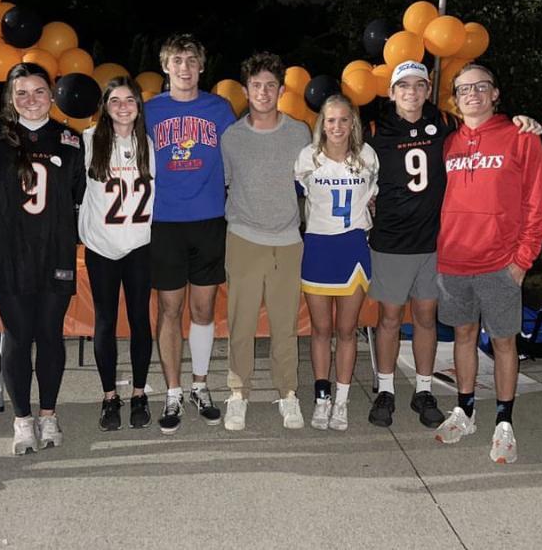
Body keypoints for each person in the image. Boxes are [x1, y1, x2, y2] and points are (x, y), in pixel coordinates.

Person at [366, 61, 542, 429]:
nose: (411, 92)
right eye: (403, 85)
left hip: (436, 243)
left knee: (427, 319)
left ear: (429, 90)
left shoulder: (446, 124)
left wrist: (523, 122)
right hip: (396, 243)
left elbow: (490, 133)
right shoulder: (375, 130)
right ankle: (386, 390)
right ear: (391, 92)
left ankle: (425, 391)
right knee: (390, 319)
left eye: (419, 84)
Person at [434, 63, 542, 464]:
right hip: (453, 261)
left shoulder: (521, 137)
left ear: (495, 93)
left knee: (503, 342)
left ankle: (504, 422)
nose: (473, 94)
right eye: (464, 89)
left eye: (481, 86)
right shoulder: (448, 143)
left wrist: (522, 261)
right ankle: (464, 411)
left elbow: (538, 205)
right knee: (463, 337)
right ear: (455, 99)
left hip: (500, 263)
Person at [0, 62, 86, 455]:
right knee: (18, 335)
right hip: (8, 252)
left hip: (53, 250)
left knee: (50, 334)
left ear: (52, 94)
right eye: (21, 92)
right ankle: (22, 419)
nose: (31, 99)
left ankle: (48, 414)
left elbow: (79, 196)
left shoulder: (70, 139)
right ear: (10, 96)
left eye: (39, 91)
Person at [143, 33, 237, 434]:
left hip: (209, 220)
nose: (185, 68)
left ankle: (200, 385)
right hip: (164, 222)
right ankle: (173, 391)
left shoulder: (220, 109)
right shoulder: (149, 111)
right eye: (177, 61)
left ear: (201, 67)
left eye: (191, 61)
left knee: (203, 310)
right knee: (169, 310)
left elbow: (239, 158)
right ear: (166, 67)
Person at [220, 52, 310, 431]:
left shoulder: (299, 133)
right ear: (245, 90)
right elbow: (225, 183)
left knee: (285, 325)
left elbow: (311, 182)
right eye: (256, 85)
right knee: (240, 325)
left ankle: (287, 392)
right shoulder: (231, 137)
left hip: (287, 241)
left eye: (270, 85)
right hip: (243, 237)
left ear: (281, 90)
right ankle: (238, 393)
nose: (263, 92)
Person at [295, 94, 379, 431]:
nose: (338, 126)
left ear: (353, 122)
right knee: (320, 330)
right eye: (331, 120)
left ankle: (341, 401)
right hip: (318, 247)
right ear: (322, 123)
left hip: (353, 247)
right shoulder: (308, 157)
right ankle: (322, 398)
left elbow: (377, 196)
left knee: (346, 330)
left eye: (344, 119)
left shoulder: (367, 156)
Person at [78, 77, 155, 431]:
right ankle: (109, 396)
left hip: (138, 244)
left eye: (129, 100)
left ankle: (139, 393)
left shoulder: (149, 143)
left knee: (140, 320)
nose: (123, 107)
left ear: (139, 106)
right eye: (115, 101)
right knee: (105, 322)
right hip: (101, 246)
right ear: (105, 107)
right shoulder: (88, 140)